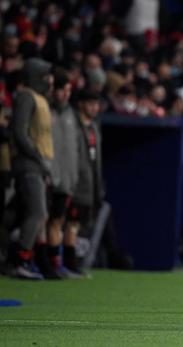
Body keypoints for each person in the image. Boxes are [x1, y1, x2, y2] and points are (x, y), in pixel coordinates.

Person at [9, 58, 54, 280]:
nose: (49, 81)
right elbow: (19, 131)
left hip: (38, 164)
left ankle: (20, 258)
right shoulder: (27, 97)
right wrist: (36, 156)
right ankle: (21, 260)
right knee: (37, 213)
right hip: (28, 163)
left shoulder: (40, 99)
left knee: (28, 213)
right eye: (45, 76)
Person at [64, 90, 103, 274]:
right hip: (73, 184)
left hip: (89, 185)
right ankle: (66, 263)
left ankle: (70, 262)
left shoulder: (94, 128)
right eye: (90, 103)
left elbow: (96, 162)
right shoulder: (72, 125)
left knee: (76, 224)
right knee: (68, 223)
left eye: (96, 104)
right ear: (81, 104)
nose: (94, 108)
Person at [46, 68, 80, 277]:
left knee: (58, 221)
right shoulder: (45, 110)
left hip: (66, 179)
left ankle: (55, 264)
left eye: (69, 90)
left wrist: (73, 176)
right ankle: (43, 262)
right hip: (47, 175)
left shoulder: (70, 114)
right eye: (62, 90)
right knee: (45, 220)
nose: (66, 94)